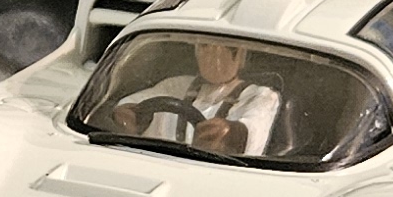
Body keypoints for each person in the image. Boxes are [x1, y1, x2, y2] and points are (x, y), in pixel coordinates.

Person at [110, 36, 283, 159]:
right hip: (156, 162)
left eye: (226, 48)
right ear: (196, 51)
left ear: (240, 55)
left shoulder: (261, 96)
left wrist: (230, 133)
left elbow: (255, 126)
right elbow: (136, 102)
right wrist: (128, 114)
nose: (214, 57)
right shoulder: (177, 85)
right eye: (206, 47)